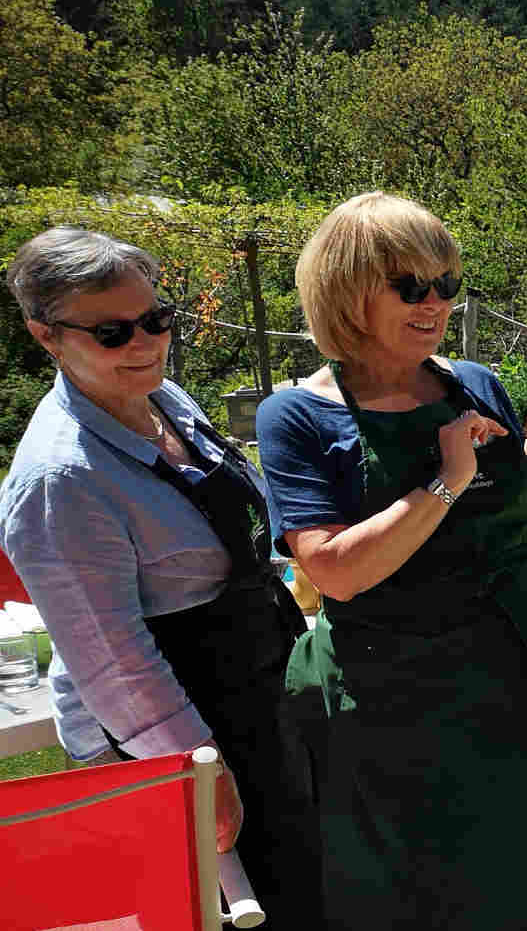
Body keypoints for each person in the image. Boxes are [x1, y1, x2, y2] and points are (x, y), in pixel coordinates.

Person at [255, 192, 527, 929]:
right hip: (413, 708)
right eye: (409, 286)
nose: (434, 303)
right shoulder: (297, 417)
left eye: (445, 284)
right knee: (446, 900)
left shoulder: (474, 382)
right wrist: (443, 481)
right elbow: (331, 570)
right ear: (345, 287)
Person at [0, 228, 322, 926]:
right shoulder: (62, 479)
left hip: (259, 690)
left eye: (156, 320)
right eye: (112, 332)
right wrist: (195, 771)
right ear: (46, 335)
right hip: (187, 722)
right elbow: (110, 661)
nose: (144, 343)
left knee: (305, 885)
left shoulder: (165, 398)